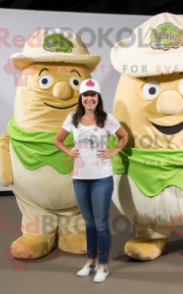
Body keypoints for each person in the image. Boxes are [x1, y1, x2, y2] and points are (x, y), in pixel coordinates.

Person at [54, 78, 128, 282]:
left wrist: (114, 151)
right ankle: (91, 262)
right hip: (79, 178)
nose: (89, 99)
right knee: (88, 224)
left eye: (92, 95)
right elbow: (57, 140)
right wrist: (69, 150)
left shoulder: (107, 119)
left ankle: (103, 266)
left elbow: (124, 137)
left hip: (101, 178)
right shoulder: (72, 118)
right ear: (81, 98)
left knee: (101, 224)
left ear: (98, 97)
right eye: (85, 95)